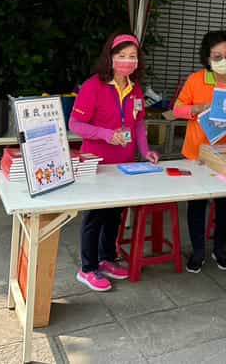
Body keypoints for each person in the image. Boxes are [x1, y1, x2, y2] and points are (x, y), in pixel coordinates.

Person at [69, 33, 159, 292]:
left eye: (132, 56)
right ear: (110, 57)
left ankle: (107, 258)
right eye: (121, 56)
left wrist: (145, 151)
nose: (127, 61)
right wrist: (106, 134)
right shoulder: (93, 86)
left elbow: (138, 123)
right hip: (97, 164)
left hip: (125, 165)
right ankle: (87, 268)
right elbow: (75, 124)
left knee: (115, 215)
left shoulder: (135, 87)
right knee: (95, 216)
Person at [173, 30, 226, 273]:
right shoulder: (196, 80)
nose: (223, 60)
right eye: (217, 56)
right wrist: (196, 108)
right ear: (207, 59)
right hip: (196, 155)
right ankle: (198, 251)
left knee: (225, 206)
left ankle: (220, 248)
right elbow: (177, 109)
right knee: (197, 205)